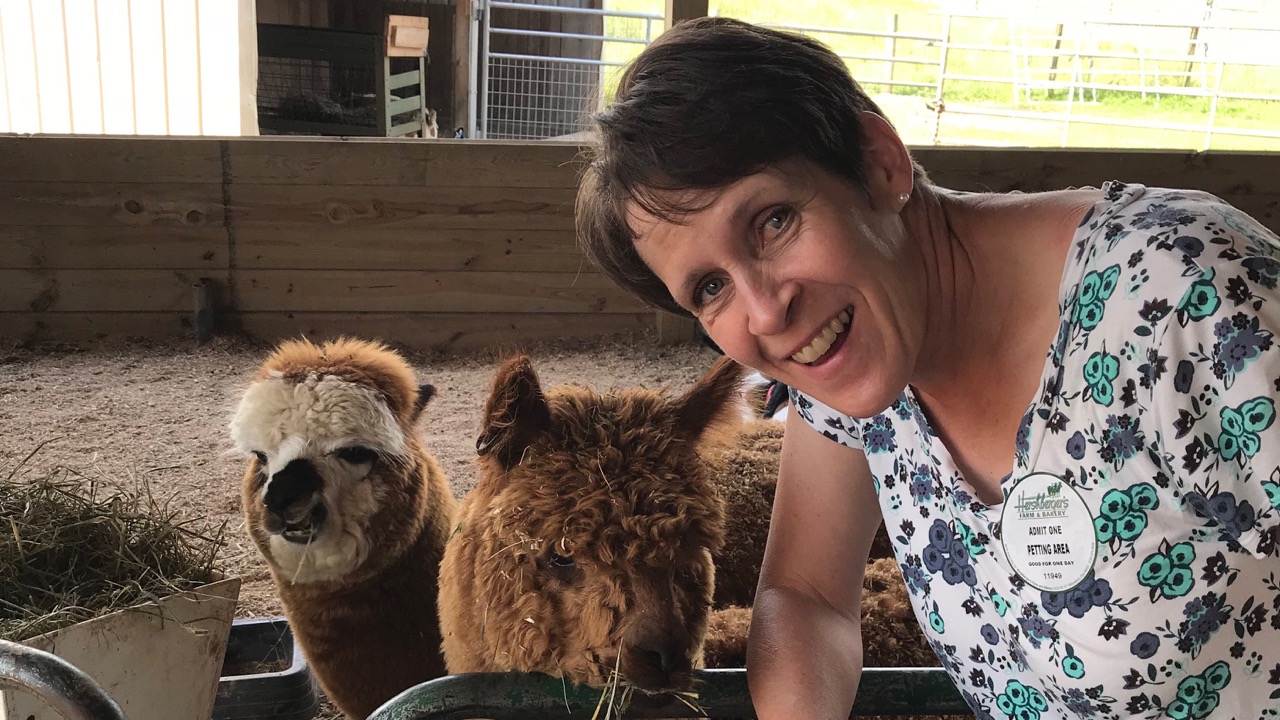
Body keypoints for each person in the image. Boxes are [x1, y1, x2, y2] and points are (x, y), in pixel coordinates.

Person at [575, 16, 1280, 720]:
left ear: (880, 162)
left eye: (773, 220)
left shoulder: (1189, 303)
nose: (764, 312)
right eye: (710, 288)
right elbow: (808, 596)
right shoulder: (852, 356)